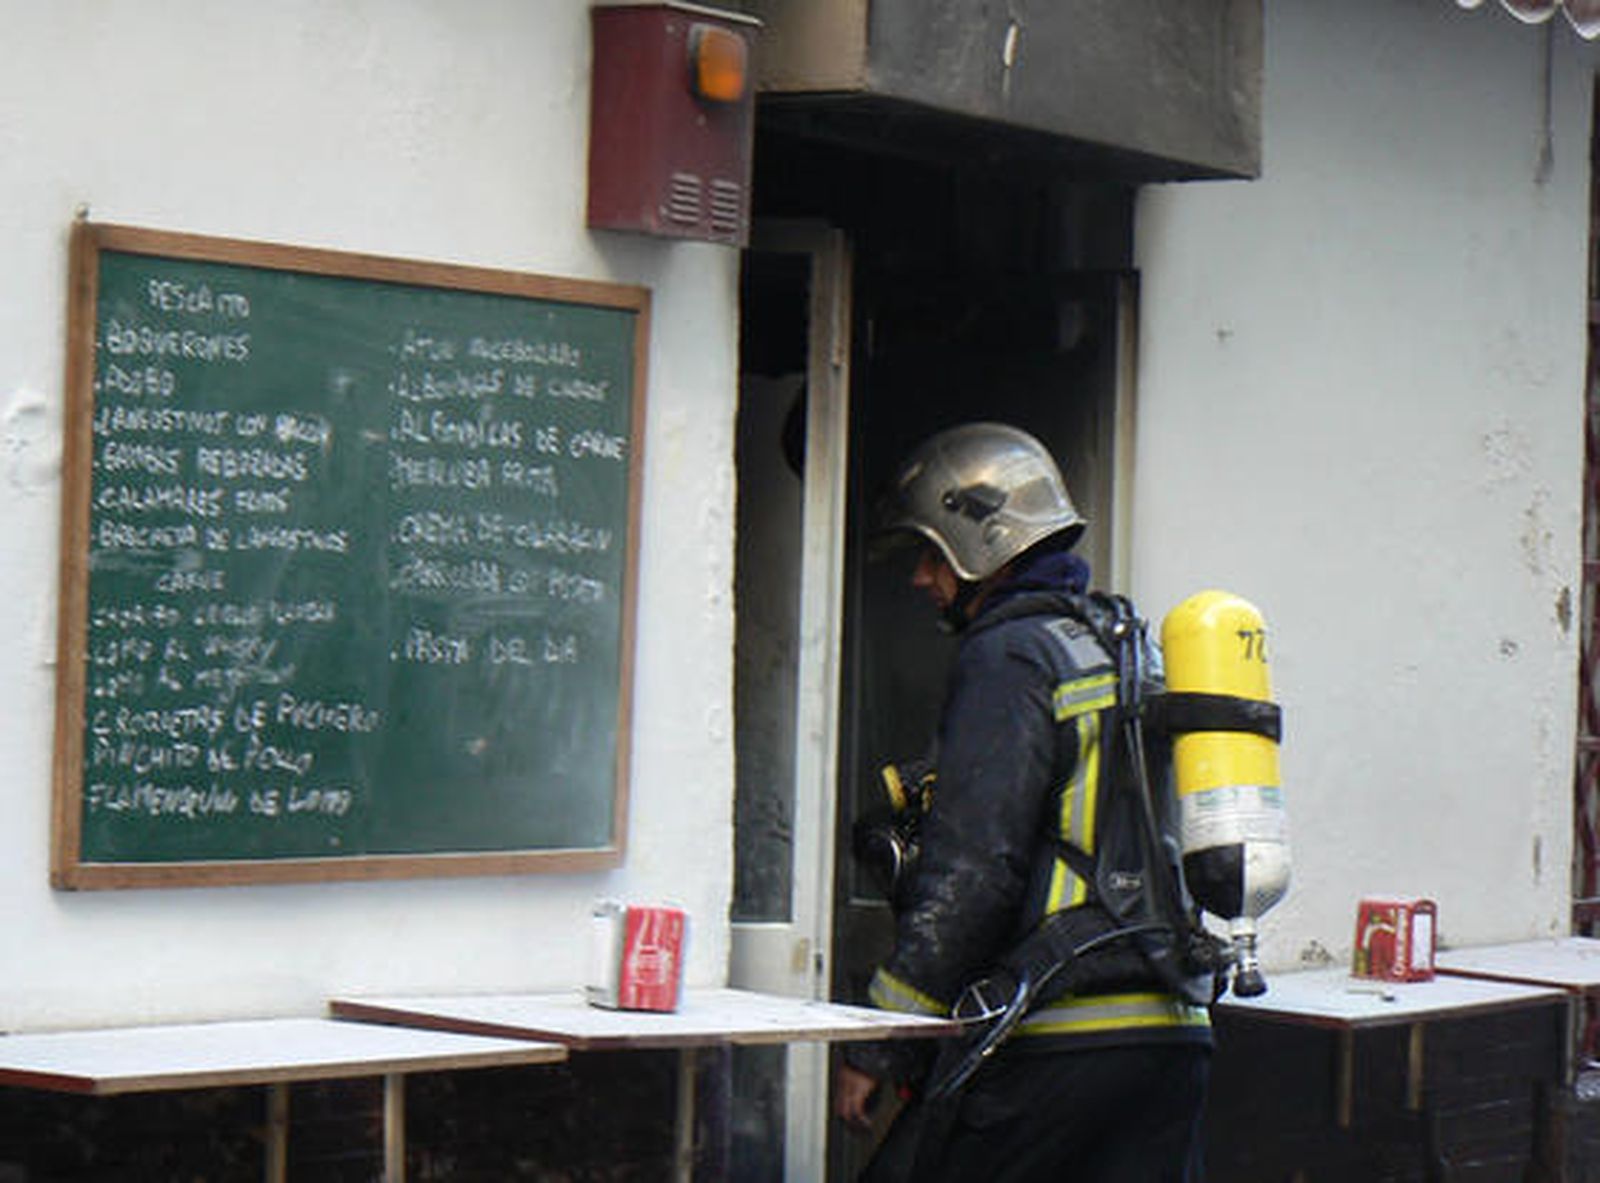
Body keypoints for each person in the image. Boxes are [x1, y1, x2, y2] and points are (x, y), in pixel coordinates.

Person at [835, 422, 1213, 1183]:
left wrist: (881, 1044)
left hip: (1061, 1039)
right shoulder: (1122, 645)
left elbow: (973, 873)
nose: (920, 578)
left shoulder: (1011, 654)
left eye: (931, 553)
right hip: (1174, 1036)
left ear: (983, 543)